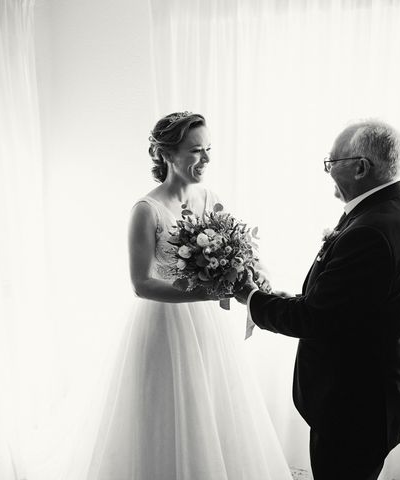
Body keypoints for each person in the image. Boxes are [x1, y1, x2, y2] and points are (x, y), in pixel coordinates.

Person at [87, 112, 293, 480]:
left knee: (212, 405)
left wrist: (252, 270)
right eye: (196, 150)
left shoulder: (209, 197)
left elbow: (238, 249)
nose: (207, 160)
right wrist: (205, 293)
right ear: (166, 154)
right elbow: (141, 284)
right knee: (167, 410)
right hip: (163, 323)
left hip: (206, 325)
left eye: (208, 149)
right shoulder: (146, 211)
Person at [235, 120, 400, 480]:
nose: (328, 171)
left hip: (356, 407)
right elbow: (348, 307)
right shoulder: (389, 211)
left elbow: (315, 319)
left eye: (331, 162)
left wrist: (249, 296)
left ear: (360, 167)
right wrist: (293, 299)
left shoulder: (371, 229)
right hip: (370, 397)